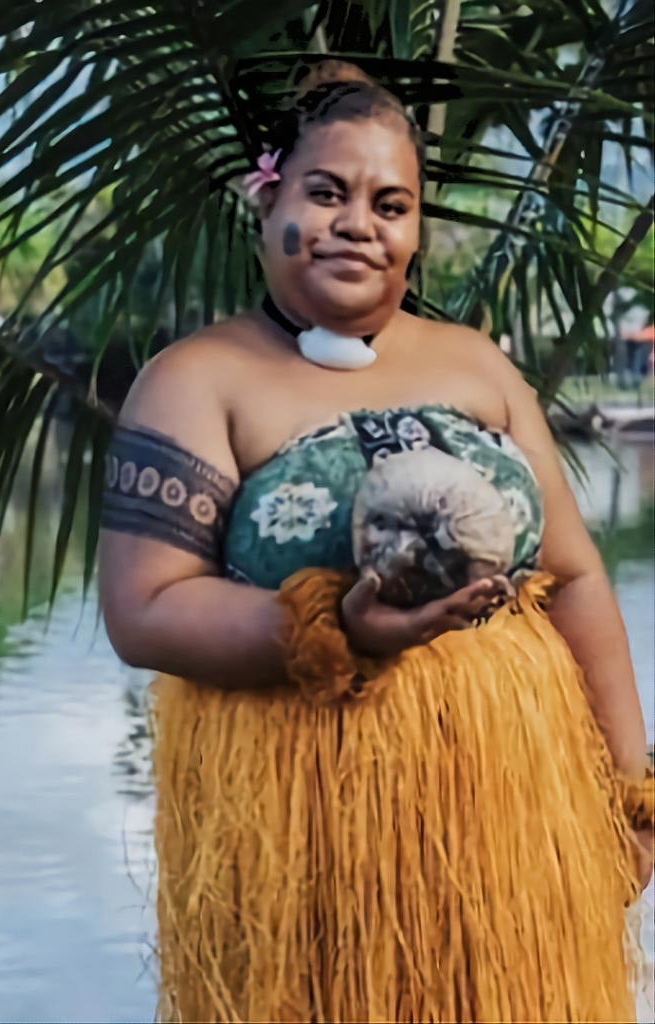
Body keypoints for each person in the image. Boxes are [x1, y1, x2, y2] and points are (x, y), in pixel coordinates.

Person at [99, 62, 653, 1023]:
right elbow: (145, 610)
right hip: (311, 825)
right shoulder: (198, 379)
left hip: (512, 811)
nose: (359, 221)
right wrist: (335, 630)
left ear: (414, 233)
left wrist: (629, 789)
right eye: (326, 192)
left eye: (390, 203)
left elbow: (571, 576)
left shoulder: (473, 362)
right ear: (264, 199)